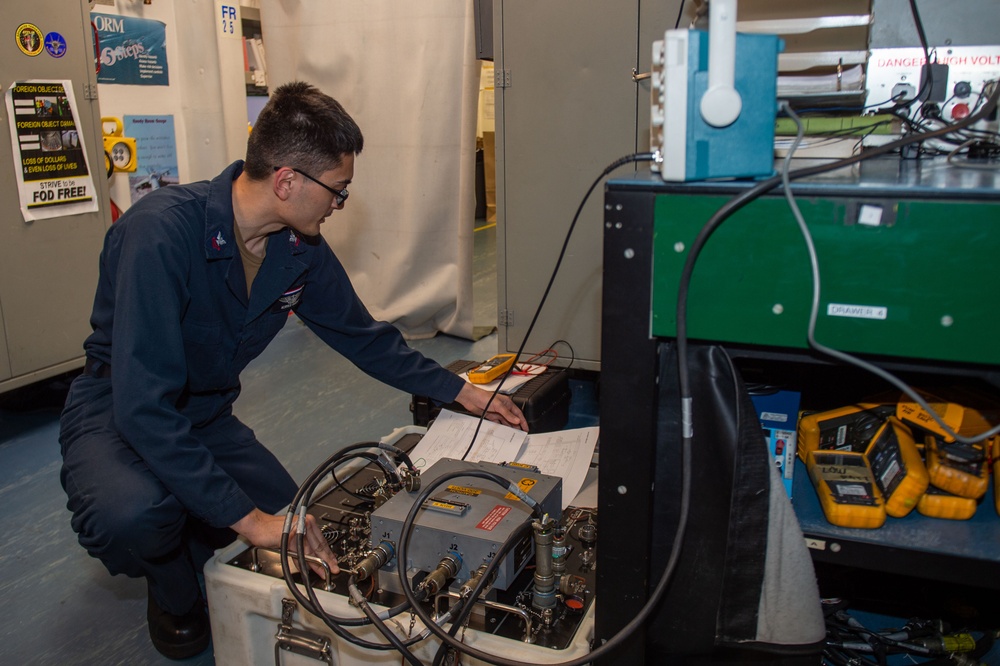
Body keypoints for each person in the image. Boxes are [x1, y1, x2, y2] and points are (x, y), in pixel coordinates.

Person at [58, 81, 525, 660]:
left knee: (305, 526)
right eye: (339, 190)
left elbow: (363, 337)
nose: (339, 204)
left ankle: (201, 516)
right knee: (134, 516)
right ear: (286, 181)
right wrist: (246, 520)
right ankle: (172, 583)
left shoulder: (298, 249)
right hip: (119, 409)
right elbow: (143, 406)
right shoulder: (160, 234)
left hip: (204, 414)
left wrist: (462, 392)